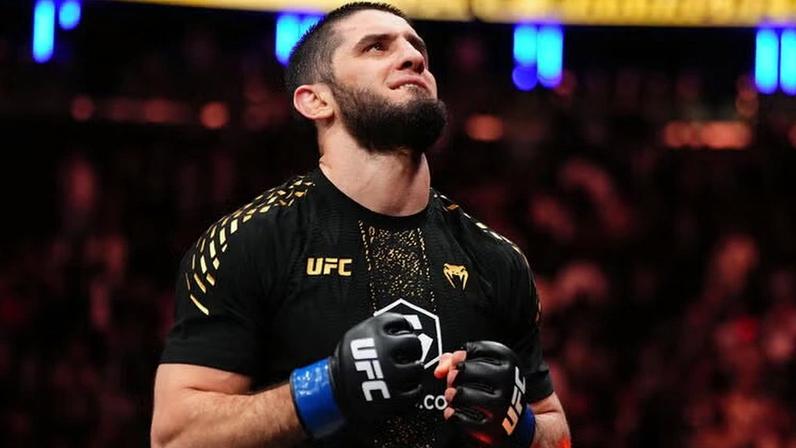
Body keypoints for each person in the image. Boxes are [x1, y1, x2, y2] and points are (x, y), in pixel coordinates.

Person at [150, 2, 570, 447]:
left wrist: (520, 426)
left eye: (417, 48)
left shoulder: (496, 259)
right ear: (315, 99)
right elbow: (175, 436)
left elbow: (557, 433)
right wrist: (328, 389)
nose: (413, 57)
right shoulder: (250, 240)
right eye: (376, 47)